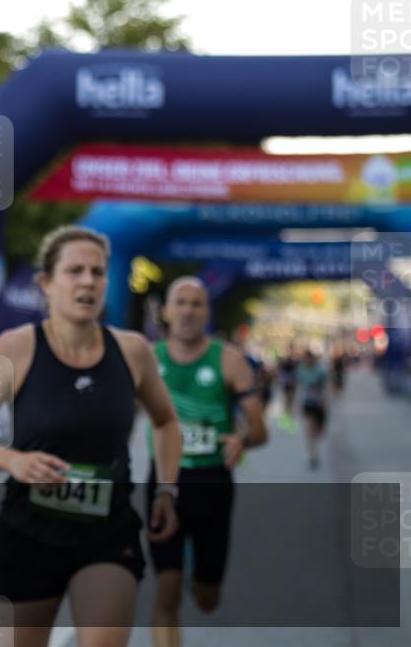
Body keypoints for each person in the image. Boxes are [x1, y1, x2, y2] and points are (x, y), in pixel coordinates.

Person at [0, 226, 182, 647]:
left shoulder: (132, 350)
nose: (88, 281)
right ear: (46, 284)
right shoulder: (15, 348)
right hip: (28, 533)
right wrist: (11, 460)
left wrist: (166, 490)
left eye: (98, 272)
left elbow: (166, 423)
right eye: (75, 271)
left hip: (108, 533)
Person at [147, 277, 269, 647]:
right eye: (180, 302)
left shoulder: (229, 360)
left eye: (197, 303)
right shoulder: (149, 359)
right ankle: (174, 574)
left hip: (213, 484)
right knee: (166, 592)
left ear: (207, 312)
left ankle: (197, 576)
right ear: (166, 311)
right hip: (165, 481)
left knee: (206, 600)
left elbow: (262, 432)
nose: (187, 310)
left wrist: (242, 439)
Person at [298, 351, 329, 470]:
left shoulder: (321, 371)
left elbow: (327, 385)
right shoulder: (301, 371)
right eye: (306, 359)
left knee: (319, 432)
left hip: (319, 404)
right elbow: (299, 387)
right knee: (308, 430)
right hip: (307, 404)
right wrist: (298, 404)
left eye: (309, 359)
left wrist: (325, 399)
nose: (308, 361)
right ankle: (313, 455)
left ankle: (314, 442)